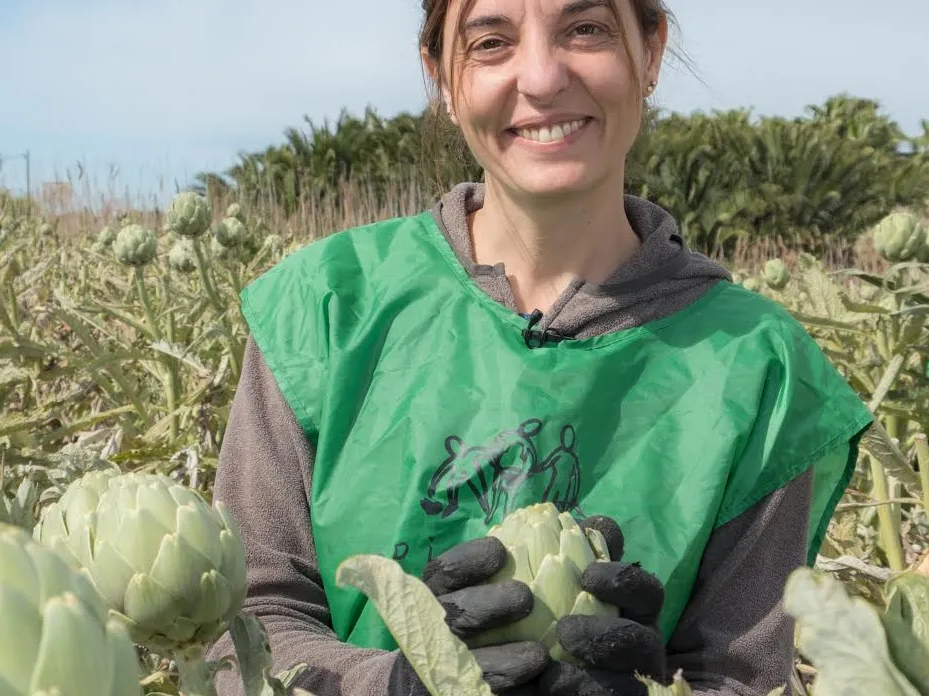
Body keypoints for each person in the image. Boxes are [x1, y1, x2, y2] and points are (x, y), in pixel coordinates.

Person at [207, 0, 875, 694]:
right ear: (441, 75)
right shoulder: (327, 307)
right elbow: (241, 628)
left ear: (650, 51)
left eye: (584, 30)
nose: (542, 77)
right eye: (491, 42)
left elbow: (746, 678)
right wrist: (399, 685)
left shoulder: (759, 367)